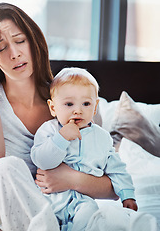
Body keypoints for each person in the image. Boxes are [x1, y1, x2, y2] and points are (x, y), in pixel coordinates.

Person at [0, 2, 118, 230]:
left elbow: (115, 187)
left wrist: (70, 179)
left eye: (20, 41)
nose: (15, 53)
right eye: (1, 48)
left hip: (56, 218)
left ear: (33, 40)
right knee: (4, 168)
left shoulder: (73, 103)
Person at [31, 67, 138, 230]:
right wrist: (62, 138)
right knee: (40, 222)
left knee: (90, 217)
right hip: (50, 199)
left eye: (86, 103)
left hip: (83, 201)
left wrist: (127, 195)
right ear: (53, 108)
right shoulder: (49, 130)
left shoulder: (101, 138)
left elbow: (117, 170)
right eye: (69, 104)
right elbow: (41, 160)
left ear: (95, 108)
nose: (78, 110)